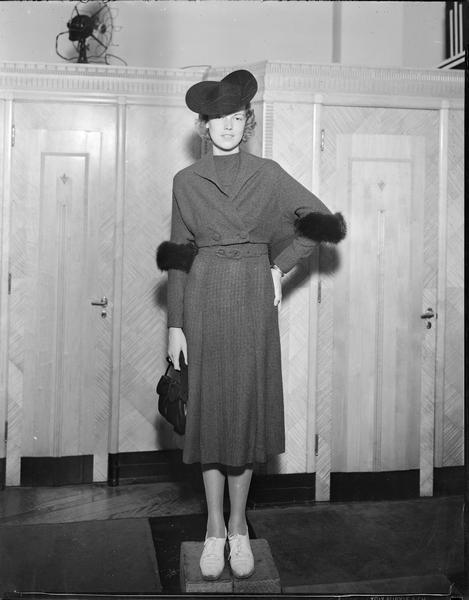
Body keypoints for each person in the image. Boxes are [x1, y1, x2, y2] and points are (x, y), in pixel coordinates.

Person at [157, 69, 345, 581]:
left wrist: (279, 268)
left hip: (251, 304)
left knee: (243, 418)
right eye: (218, 119)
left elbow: (322, 221)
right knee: (210, 418)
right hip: (202, 303)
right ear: (203, 125)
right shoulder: (185, 182)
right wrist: (175, 325)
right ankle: (214, 528)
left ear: (248, 122)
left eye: (237, 118)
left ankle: (241, 527)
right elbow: (177, 257)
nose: (228, 127)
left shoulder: (269, 173)